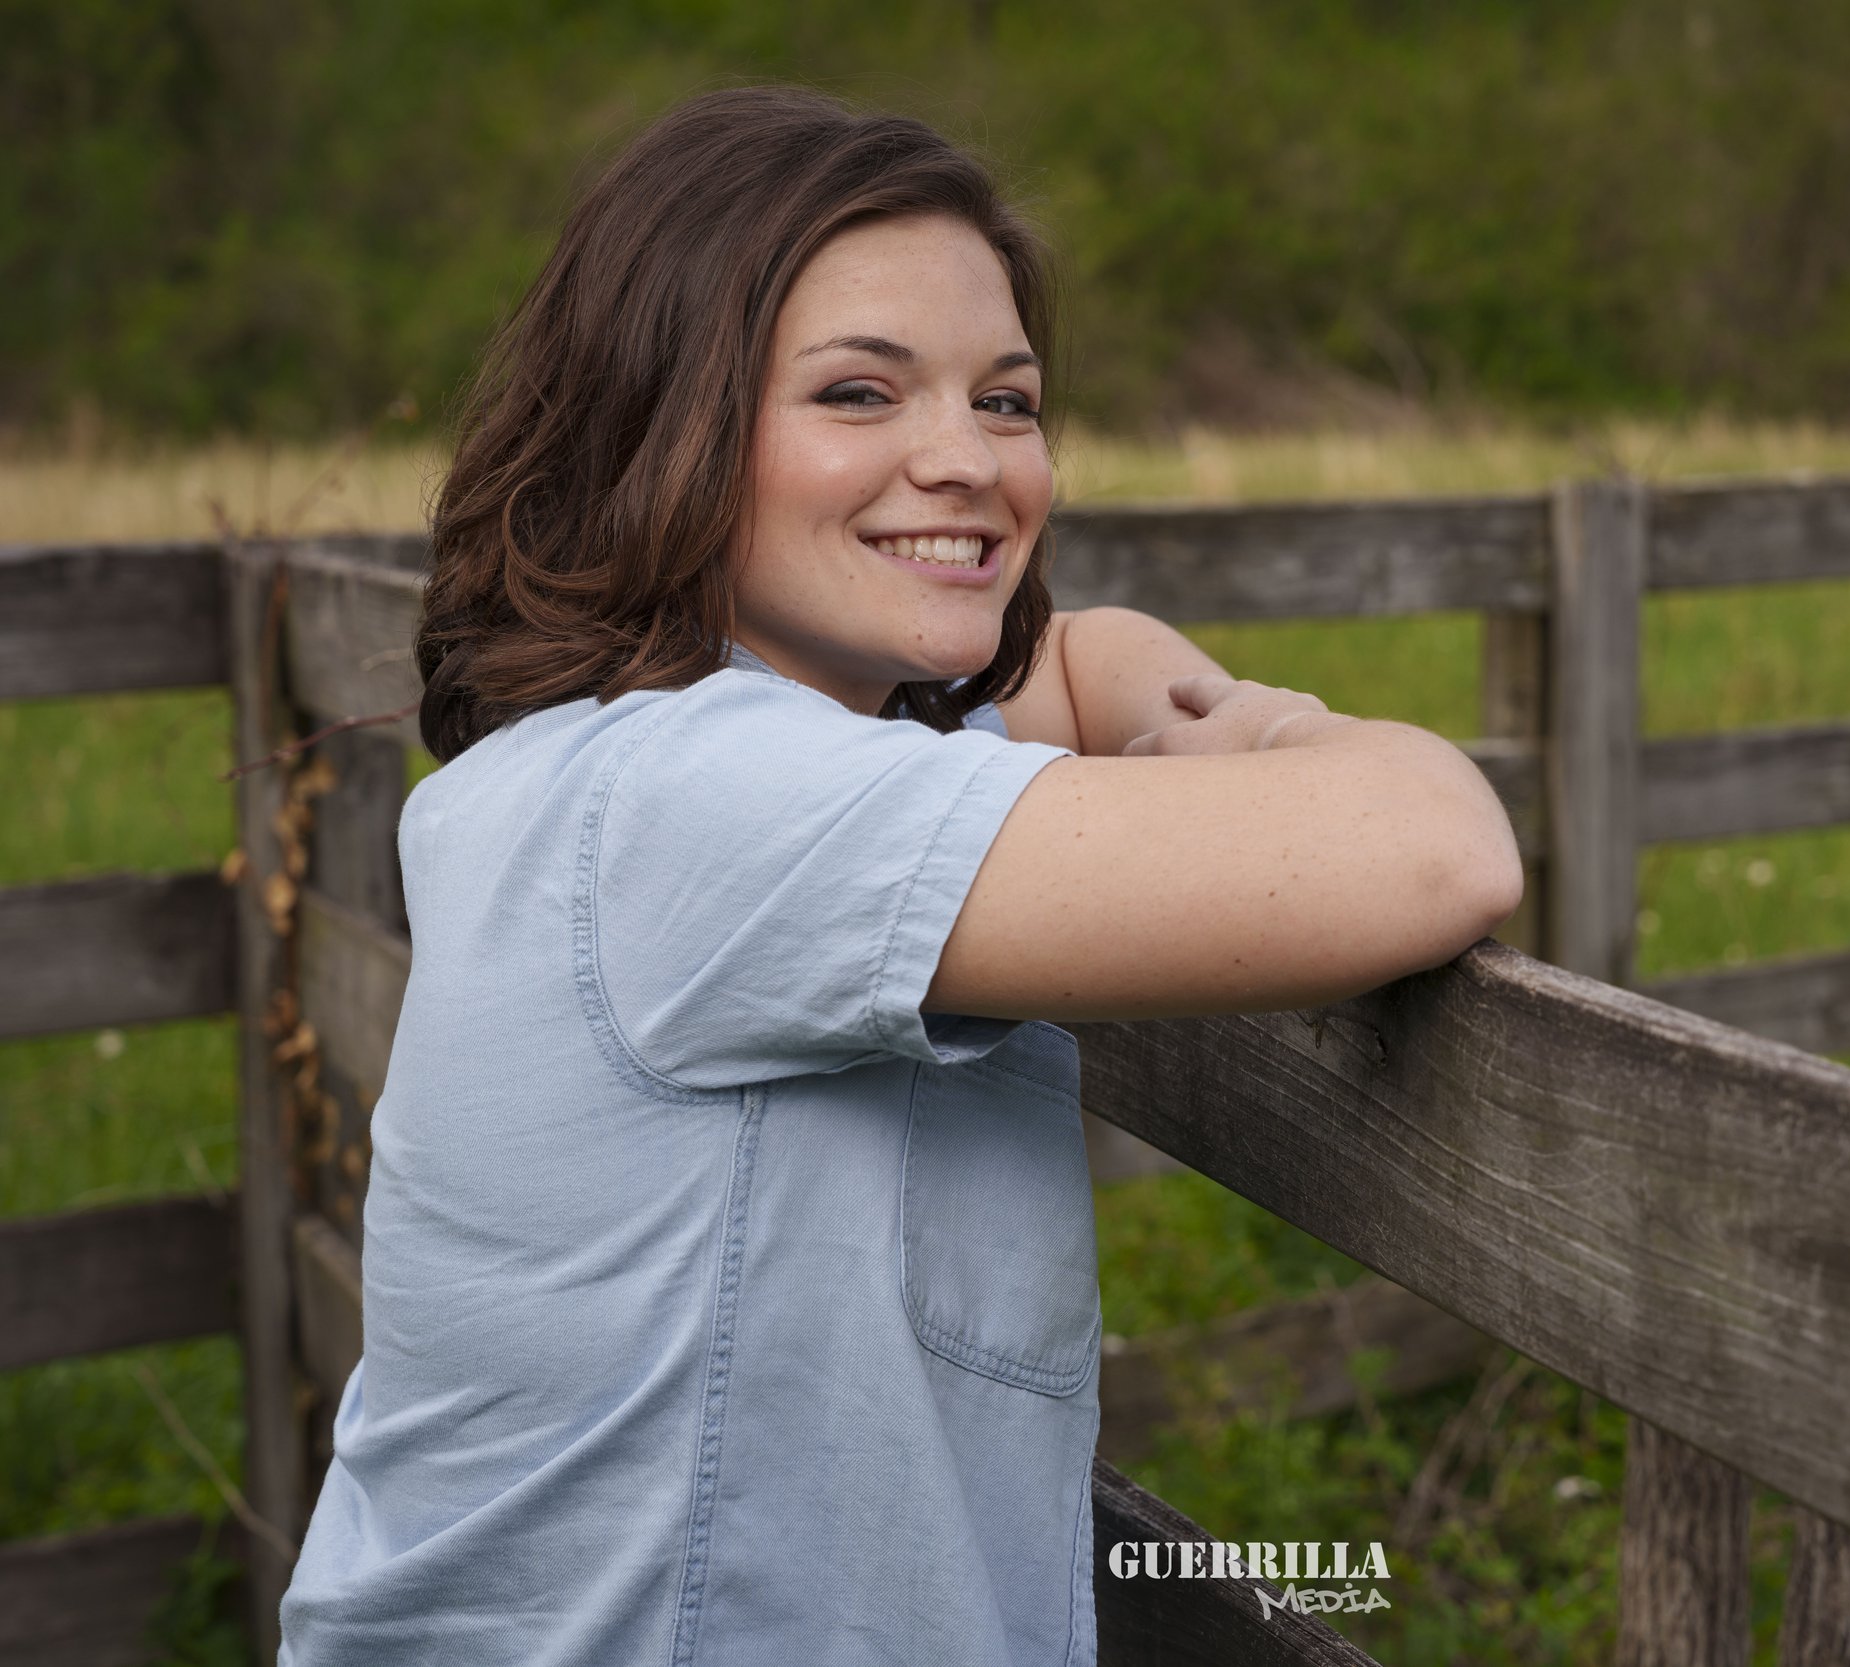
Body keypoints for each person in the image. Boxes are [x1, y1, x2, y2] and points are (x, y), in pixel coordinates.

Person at [276, 85, 1521, 1666]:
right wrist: (1275, 730)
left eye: (1008, 402)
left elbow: (1076, 658)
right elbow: (1432, 849)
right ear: (662, 422)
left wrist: (1164, 706)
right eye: (860, 394)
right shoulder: (715, 798)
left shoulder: (626, 758)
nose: (967, 461)